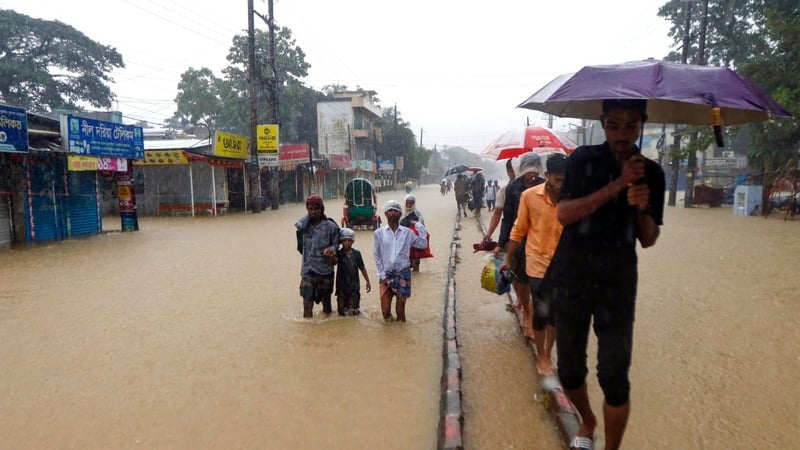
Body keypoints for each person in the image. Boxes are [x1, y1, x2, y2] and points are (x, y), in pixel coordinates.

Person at [547, 99, 665, 450]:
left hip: (618, 283)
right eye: (614, 125)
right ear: (603, 123)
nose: (621, 133)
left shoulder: (653, 173)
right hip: (573, 278)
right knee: (569, 370)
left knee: (614, 376)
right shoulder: (583, 159)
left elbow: (649, 238)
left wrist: (641, 205)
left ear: (641, 124)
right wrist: (618, 185)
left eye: (630, 126)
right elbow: (565, 214)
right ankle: (587, 421)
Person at [500, 154, 567, 376]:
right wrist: (508, 257)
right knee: (541, 312)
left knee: (556, 315)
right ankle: (542, 355)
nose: (560, 185)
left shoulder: (574, 198)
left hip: (563, 265)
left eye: (565, 180)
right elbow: (518, 229)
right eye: (557, 179)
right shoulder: (528, 196)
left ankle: (548, 351)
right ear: (547, 176)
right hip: (537, 263)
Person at [496, 153, 545, 337]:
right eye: (529, 171)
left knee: (538, 282)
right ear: (522, 169)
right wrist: (502, 243)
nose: (532, 175)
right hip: (519, 241)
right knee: (522, 281)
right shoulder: (513, 188)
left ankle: (535, 314)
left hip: (540, 240)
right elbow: (507, 218)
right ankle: (527, 313)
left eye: (535, 170)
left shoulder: (545, 185)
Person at [373, 200, 428, 322]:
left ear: (400, 214)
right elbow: (377, 256)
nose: (393, 213)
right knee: (385, 312)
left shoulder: (408, 233)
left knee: (400, 312)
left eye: (396, 211)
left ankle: (401, 334)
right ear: (386, 213)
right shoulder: (379, 233)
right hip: (386, 274)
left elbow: (423, 244)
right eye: (390, 210)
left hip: (403, 274)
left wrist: (420, 226)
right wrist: (382, 276)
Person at [294, 195, 340, 318]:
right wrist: (308, 217)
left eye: (316, 208)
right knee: (307, 304)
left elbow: (336, 243)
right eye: (310, 209)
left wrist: (331, 250)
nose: (313, 211)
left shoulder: (330, 226)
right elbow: (298, 225)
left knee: (326, 304)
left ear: (322, 209)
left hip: (325, 270)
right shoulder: (305, 226)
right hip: (308, 270)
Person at [335, 227, 371, 316]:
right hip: (341, 288)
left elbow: (362, 268)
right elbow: (333, 262)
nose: (347, 243)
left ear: (353, 241)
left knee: (353, 311)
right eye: (344, 240)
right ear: (341, 242)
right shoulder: (339, 254)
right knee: (341, 312)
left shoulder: (357, 254)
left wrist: (368, 281)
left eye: (349, 240)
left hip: (354, 287)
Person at [400, 194, 428, 272]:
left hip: (414, 244)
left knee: (415, 266)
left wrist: (416, 223)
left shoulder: (417, 214)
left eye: (411, 203)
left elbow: (422, 228)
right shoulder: (401, 214)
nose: (409, 205)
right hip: (403, 244)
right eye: (407, 203)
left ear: (414, 203)